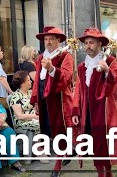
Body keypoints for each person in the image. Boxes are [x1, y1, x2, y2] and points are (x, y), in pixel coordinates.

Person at [72, 27, 117, 177]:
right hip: (88, 111)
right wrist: (76, 110)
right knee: (94, 145)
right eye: (86, 43)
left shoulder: (111, 61)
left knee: (105, 146)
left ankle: (107, 174)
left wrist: (107, 70)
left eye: (91, 43)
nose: (88, 46)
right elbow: (79, 89)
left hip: (105, 111)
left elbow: (115, 87)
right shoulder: (82, 66)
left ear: (100, 44)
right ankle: (100, 173)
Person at [30, 26, 74, 177]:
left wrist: (52, 69)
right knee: (49, 131)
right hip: (44, 100)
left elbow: (67, 78)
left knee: (60, 131)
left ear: (58, 40)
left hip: (59, 100)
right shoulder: (41, 57)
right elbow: (37, 79)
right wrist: (35, 99)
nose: (48, 42)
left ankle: (57, 166)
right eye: (46, 39)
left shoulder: (65, 56)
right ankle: (69, 151)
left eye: (51, 39)